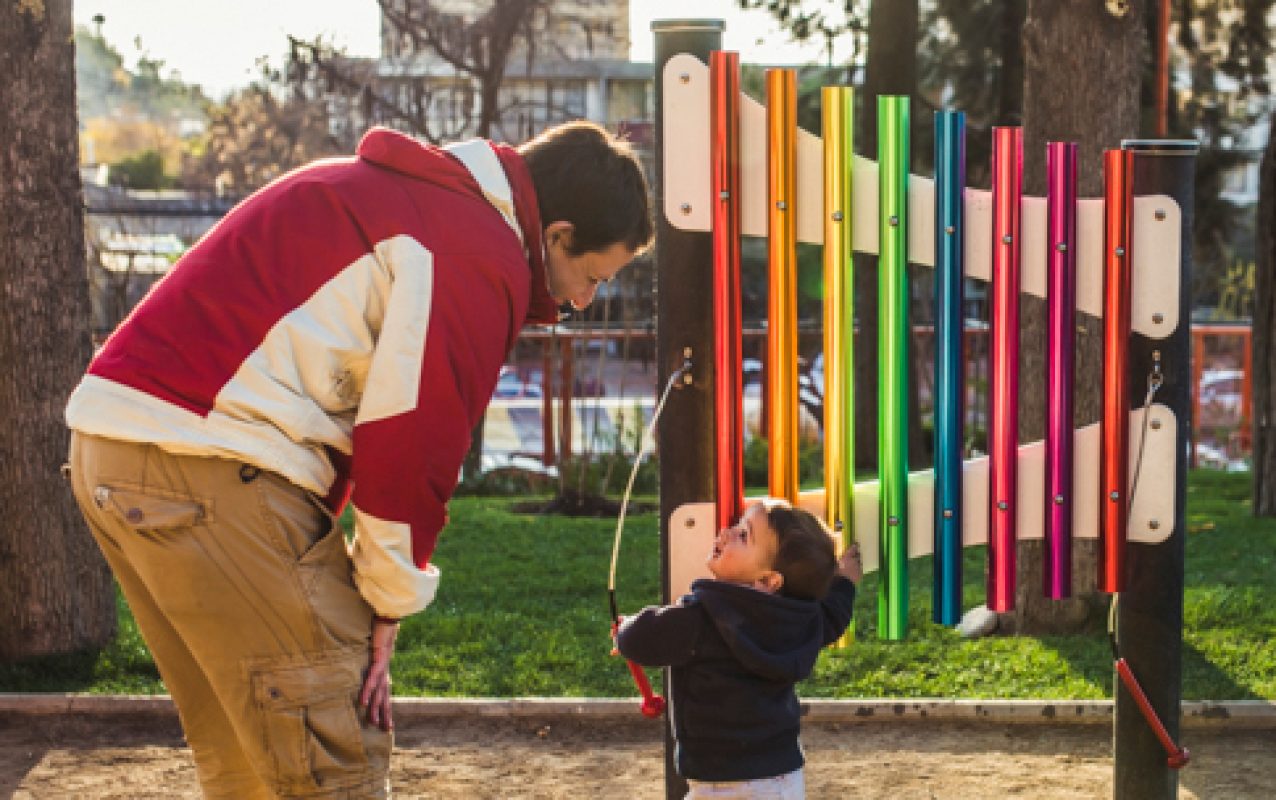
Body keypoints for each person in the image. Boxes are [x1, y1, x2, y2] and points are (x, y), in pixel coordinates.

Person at [64, 120, 652, 798]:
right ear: (557, 235)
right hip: (205, 461)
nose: (584, 300)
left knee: (248, 762)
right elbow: (412, 437)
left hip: (116, 448)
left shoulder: (391, 193)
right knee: (332, 749)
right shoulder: (474, 246)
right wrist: (385, 603)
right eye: (590, 276)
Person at [616, 499, 862, 800]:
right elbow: (833, 617)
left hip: (724, 783)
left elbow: (637, 640)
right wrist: (845, 582)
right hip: (783, 776)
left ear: (768, 580)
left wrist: (625, 626)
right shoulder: (799, 621)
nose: (727, 532)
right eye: (737, 525)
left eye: (744, 535)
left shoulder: (701, 619)